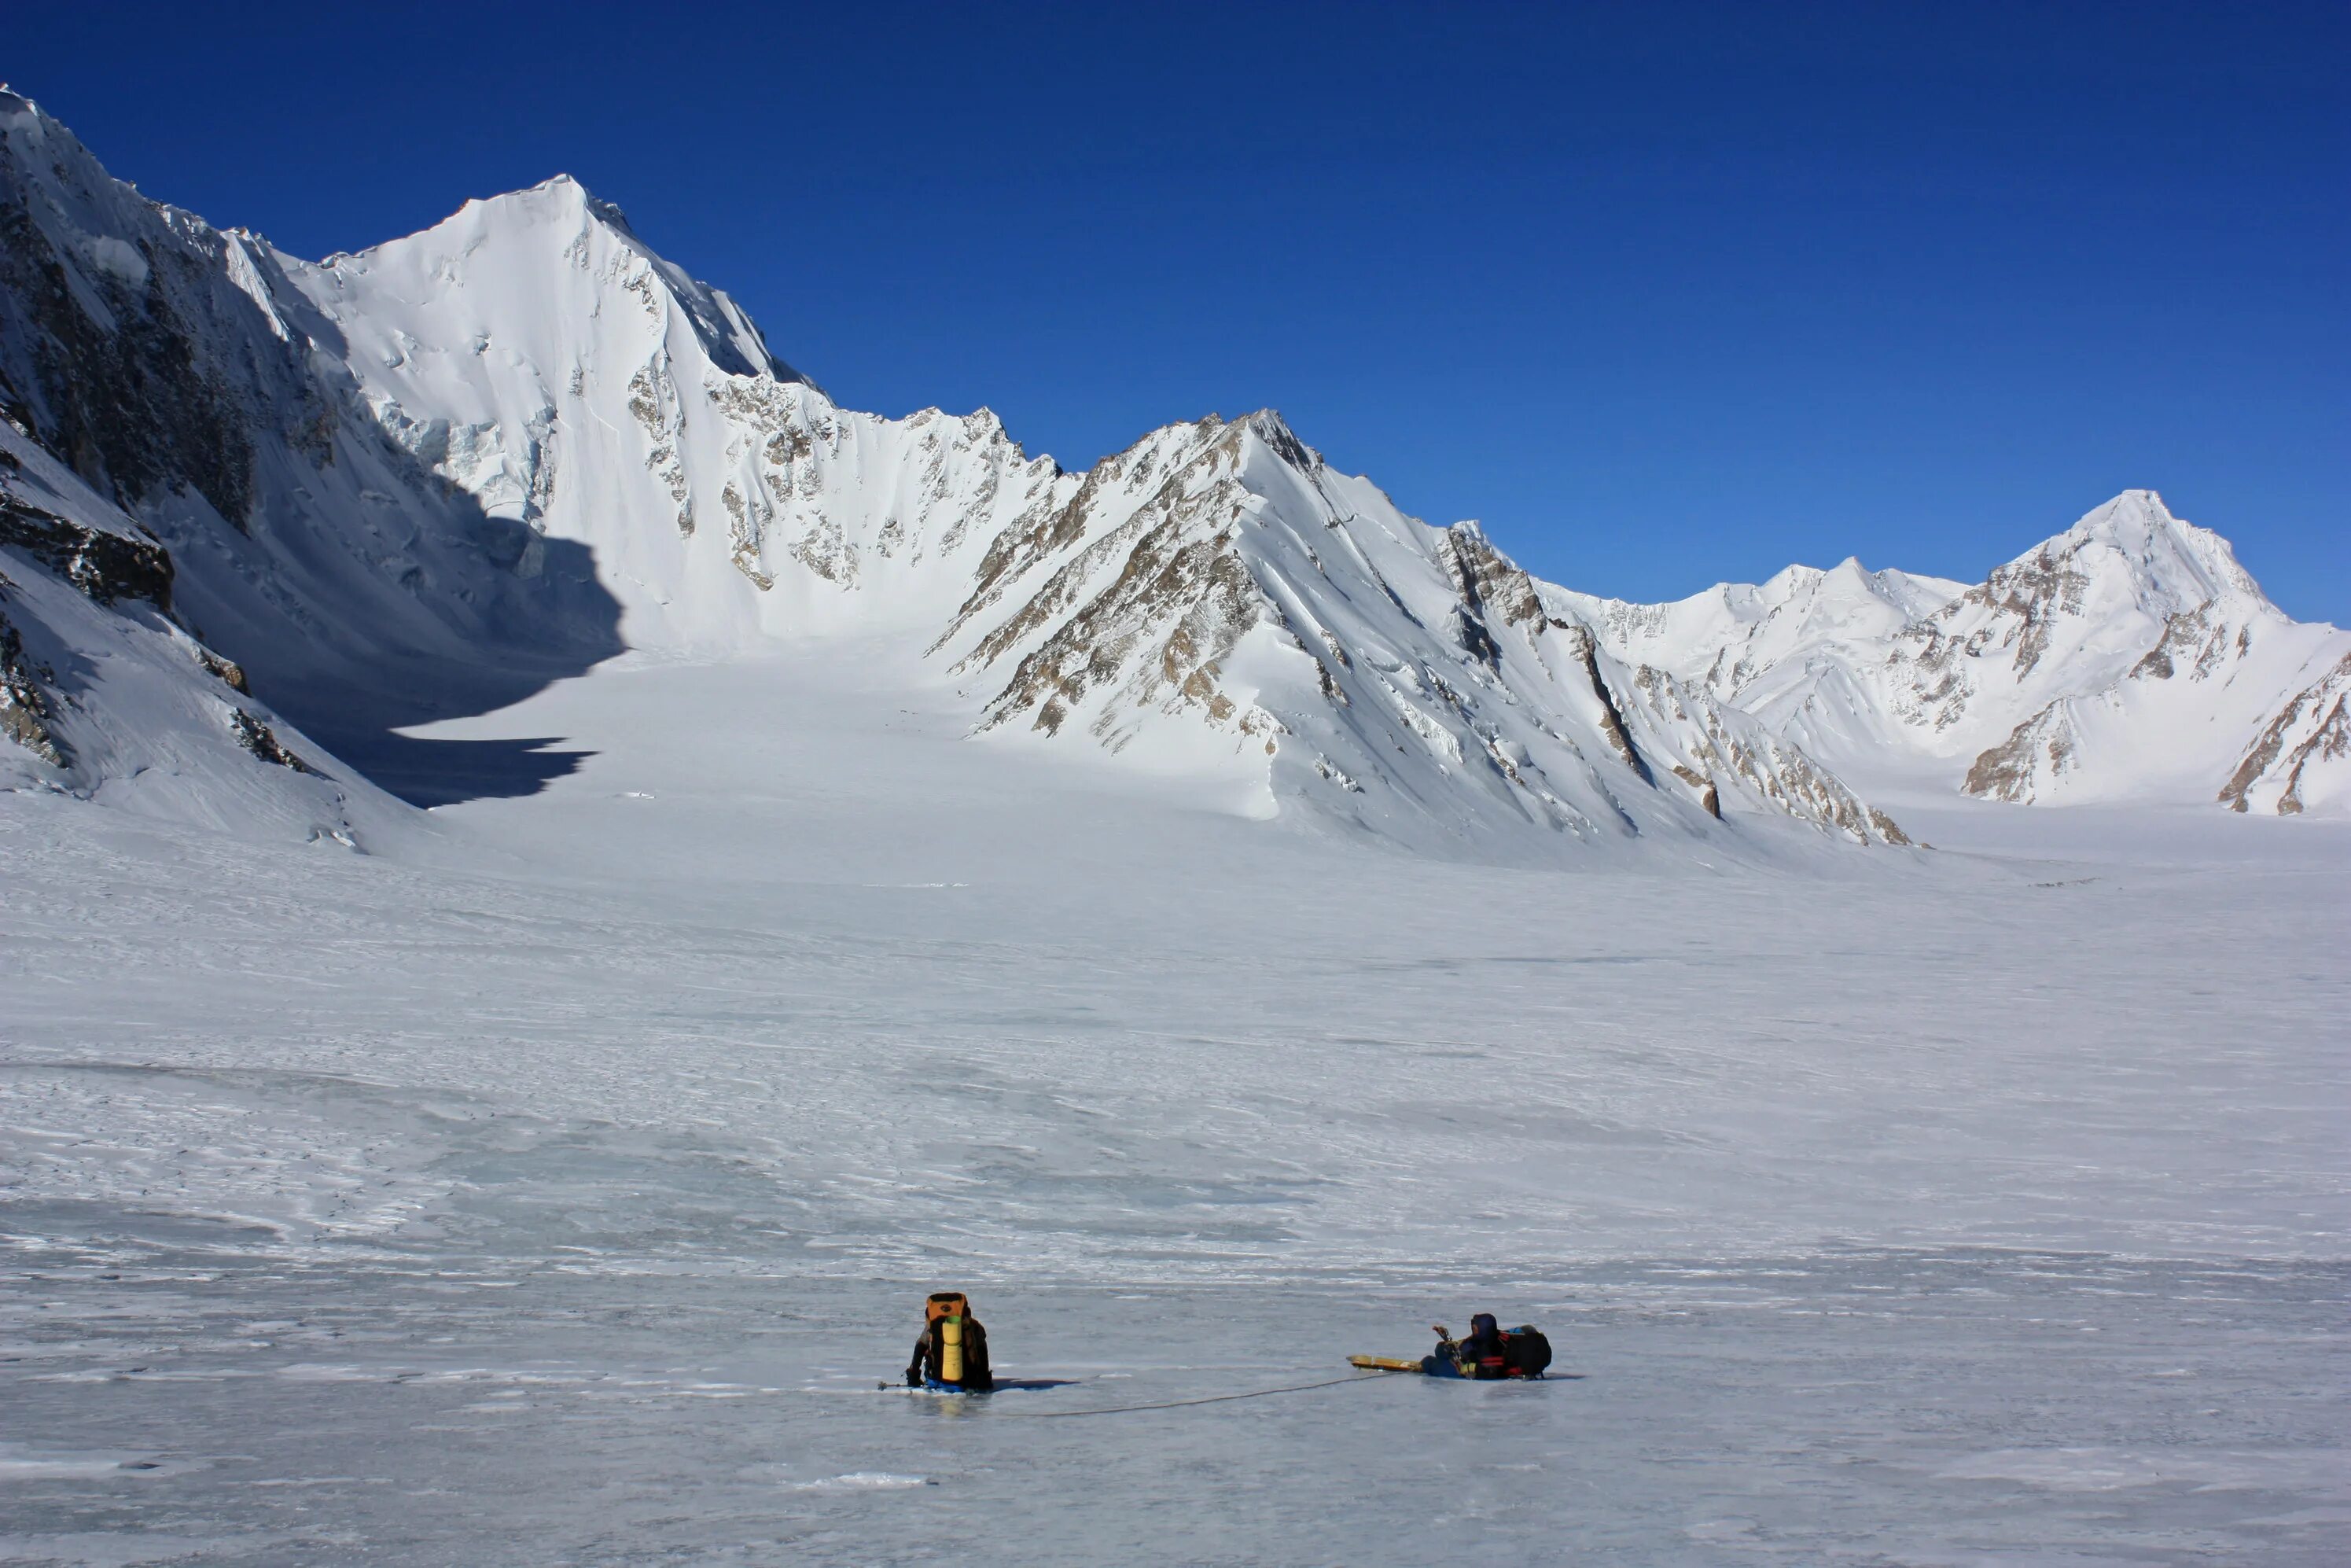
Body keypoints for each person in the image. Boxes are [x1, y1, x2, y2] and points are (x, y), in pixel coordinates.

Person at [903, 1290, 993, 1391]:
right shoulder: (974, 1326)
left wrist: (913, 1377)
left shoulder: (931, 1329)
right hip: (969, 1381)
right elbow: (982, 1351)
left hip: (936, 1380)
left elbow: (920, 1347)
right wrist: (984, 1379)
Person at [1422, 1313, 1550, 1379]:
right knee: (1442, 1350)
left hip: (1475, 1363)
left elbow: (1492, 1371)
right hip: (1520, 1358)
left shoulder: (1487, 1349)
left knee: (1429, 1362)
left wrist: (1472, 1367)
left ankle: (1430, 1363)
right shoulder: (1500, 1336)